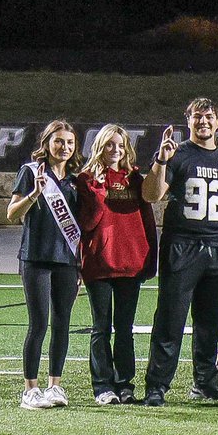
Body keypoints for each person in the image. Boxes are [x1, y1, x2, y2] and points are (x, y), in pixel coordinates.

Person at [142, 98, 218, 406]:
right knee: (170, 320)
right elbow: (151, 195)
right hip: (183, 246)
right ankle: (157, 386)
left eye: (209, 116)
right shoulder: (176, 155)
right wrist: (161, 162)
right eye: (198, 116)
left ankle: (204, 381)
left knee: (210, 323)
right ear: (188, 120)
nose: (204, 121)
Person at [76, 124, 158, 405]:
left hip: (129, 264)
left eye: (120, 145)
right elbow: (87, 223)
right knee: (101, 327)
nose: (116, 150)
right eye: (110, 144)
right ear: (100, 146)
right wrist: (98, 188)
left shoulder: (136, 179)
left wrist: (150, 258)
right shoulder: (85, 179)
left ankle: (125, 384)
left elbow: (147, 220)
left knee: (125, 328)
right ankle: (102, 386)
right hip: (99, 264)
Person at [9, 120, 83, 409]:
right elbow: (12, 213)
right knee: (38, 324)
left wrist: (80, 266)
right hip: (35, 258)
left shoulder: (76, 180)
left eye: (70, 143)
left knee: (62, 324)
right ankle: (31, 389)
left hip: (66, 261)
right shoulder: (30, 172)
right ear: (47, 143)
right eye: (59, 141)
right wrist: (34, 194)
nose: (64, 147)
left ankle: (55, 386)